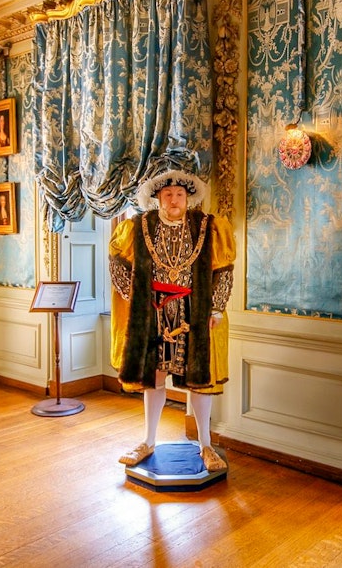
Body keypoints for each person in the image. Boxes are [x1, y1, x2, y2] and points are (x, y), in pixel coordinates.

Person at [109, 169, 235, 472]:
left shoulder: (209, 227)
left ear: (188, 197)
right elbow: (117, 260)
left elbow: (224, 269)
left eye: (179, 194)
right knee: (153, 377)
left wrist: (216, 308)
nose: (174, 199)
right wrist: (133, 296)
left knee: (200, 379)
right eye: (168, 194)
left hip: (196, 310)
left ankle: (206, 444)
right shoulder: (137, 227)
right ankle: (148, 440)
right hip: (152, 312)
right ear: (157, 198)